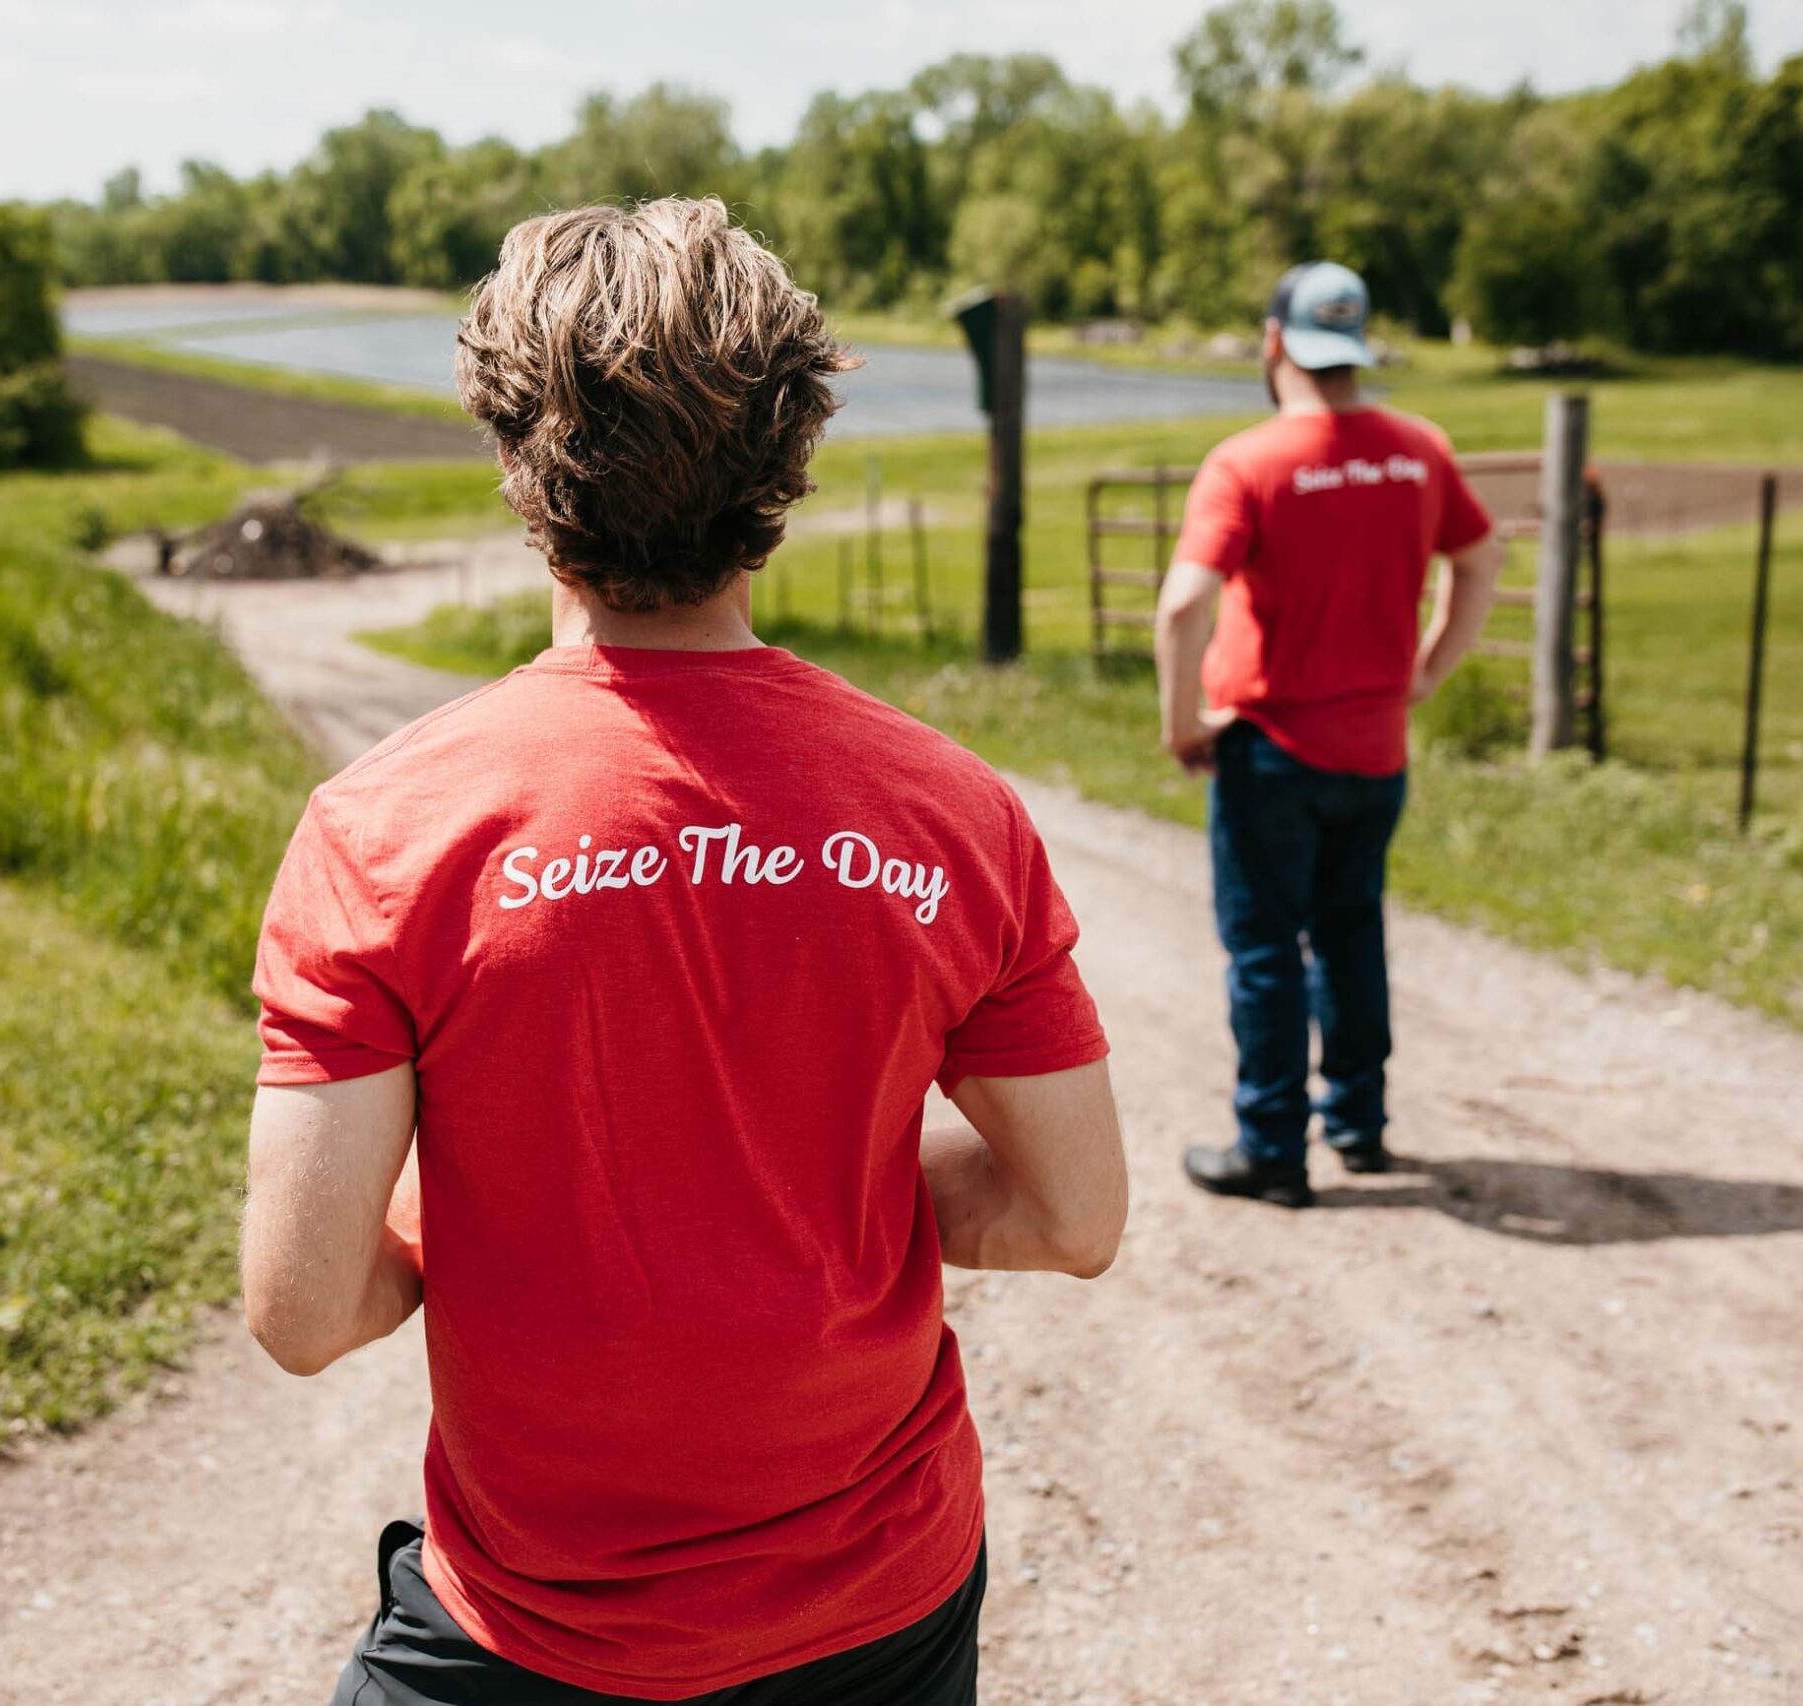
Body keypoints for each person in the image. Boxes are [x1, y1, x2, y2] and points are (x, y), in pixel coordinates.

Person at [240, 198, 1130, 1705]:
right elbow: (1073, 1213)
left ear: (516, 454)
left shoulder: (384, 829)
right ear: (790, 448)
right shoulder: (951, 810)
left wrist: (512, 1199)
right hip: (877, 1622)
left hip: (533, 1635)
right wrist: (809, 1192)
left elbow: (307, 1306)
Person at [1153, 261, 1504, 1210]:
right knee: (1351, 932)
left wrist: (1182, 726)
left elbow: (1185, 604)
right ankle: (1358, 1121)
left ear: (1275, 343)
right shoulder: (1420, 449)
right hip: (1377, 750)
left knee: (1266, 947)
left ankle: (1271, 1147)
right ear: (1357, 346)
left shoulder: (1249, 462)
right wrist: (1428, 670)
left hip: (1271, 751)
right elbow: (1481, 558)